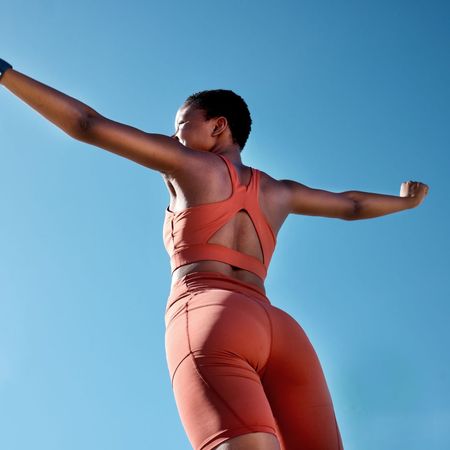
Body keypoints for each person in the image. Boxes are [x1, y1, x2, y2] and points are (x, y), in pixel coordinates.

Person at [0, 58, 429, 450]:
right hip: (282, 331)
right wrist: (406, 203)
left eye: (182, 125)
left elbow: (88, 125)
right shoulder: (280, 192)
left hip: (211, 316)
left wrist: (5, 73)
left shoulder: (188, 166)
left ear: (218, 126)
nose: (173, 138)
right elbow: (351, 206)